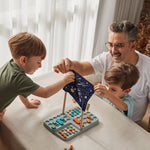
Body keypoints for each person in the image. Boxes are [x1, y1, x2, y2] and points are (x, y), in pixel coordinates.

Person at [53, 20, 150, 122]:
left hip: (129, 124)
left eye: (119, 45)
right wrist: (70, 64)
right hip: (103, 117)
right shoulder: (106, 57)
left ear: (133, 45)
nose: (113, 51)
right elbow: (82, 68)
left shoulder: (147, 68)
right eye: (110, 45)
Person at [0, 32, 75, 120]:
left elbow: (20, 89)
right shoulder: (19, 79)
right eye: (38, 62)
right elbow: (45, 92)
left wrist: (27, 103)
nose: (40, 66)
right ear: (23, 60)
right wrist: (64, 81)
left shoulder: (11, 64)